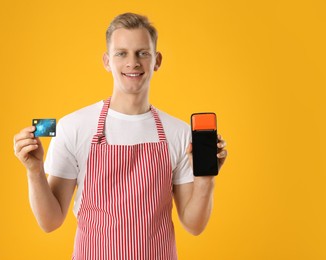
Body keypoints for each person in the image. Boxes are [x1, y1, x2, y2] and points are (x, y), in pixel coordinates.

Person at [13, 12, 228, 260]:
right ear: (107, 61)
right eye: (121, 53)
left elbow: (194, 225)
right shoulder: (74, 127)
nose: (132, 62)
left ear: (157, 60)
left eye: (142, 53)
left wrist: (206, 179)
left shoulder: (178, 133)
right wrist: (35, 171)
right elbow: (50, 221)